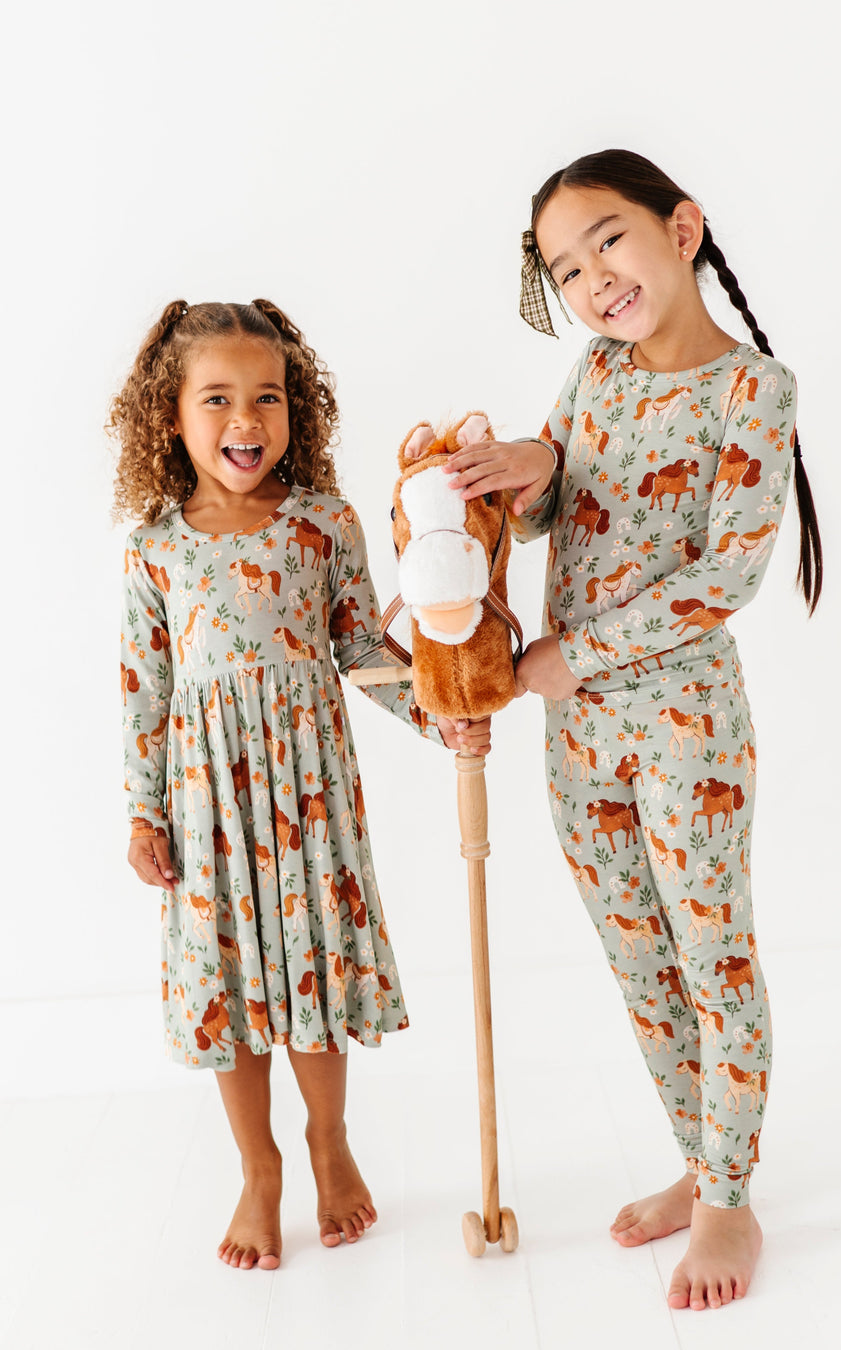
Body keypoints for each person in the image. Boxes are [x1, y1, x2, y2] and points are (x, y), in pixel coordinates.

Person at [443, 150, 821, 1311]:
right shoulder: (595, 369)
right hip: (577, 741)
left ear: (682, 226)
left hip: (680, 731)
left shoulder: (752, 390)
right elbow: (568, 489)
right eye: (566, 266)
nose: (592, 277)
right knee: (640, 962)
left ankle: (727, 1197)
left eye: (607, 239)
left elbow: (725, 575)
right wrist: (524, 466)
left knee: (712, 957)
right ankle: (697, 1157)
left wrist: (563, 658)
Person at [111, 298, 489, 1270]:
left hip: (306, 792)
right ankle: (258, 1167)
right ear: (172, 418)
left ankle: (329, 1139)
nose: (248, 420)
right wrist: (145, 809)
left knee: (311, 973)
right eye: (220, 399)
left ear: (297, 410)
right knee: (234, 985)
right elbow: (144, 687)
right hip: (209, 803)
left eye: (269, 398)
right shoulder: (155, 546)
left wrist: (436, 710)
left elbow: (362, 647)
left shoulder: (323, 524)